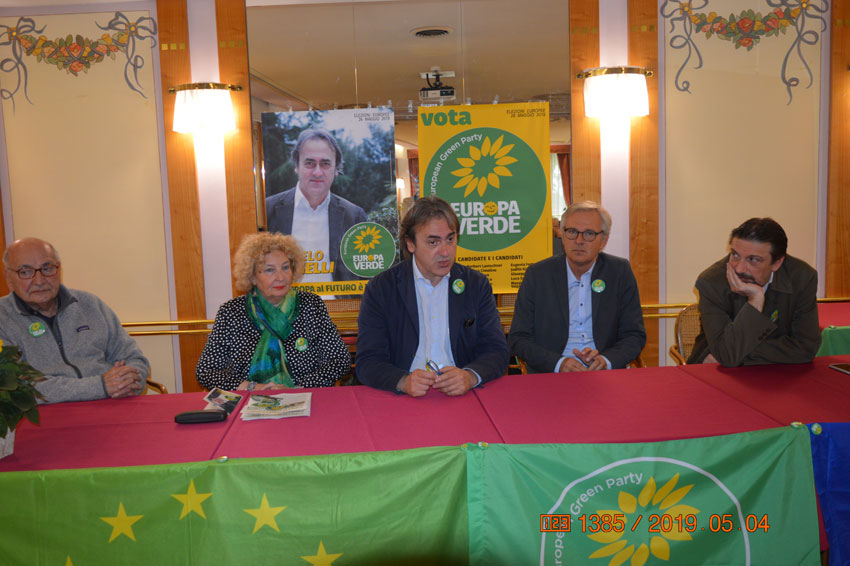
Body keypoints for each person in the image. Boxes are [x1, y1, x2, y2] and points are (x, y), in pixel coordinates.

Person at [356, 196, 509, 397]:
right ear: (410, 244)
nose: (445, 252)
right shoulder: (381, 289)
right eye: (433, 242)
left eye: (450, 239)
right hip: (404, 396)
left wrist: (470, 376)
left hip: (462, 394)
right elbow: (368, 361)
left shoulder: (475, 284)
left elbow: (497, 351)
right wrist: (402, 381)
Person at [0, 237, 149, 403]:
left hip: (112, 404)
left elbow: (134, 358)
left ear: (59, 269)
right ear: (8, 278)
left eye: (47, 268)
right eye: (25, 272)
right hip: (48, 413)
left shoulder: (90, 304)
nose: (39, 281)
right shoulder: (3, 318)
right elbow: (16, 386)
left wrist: (129, 382)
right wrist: (100, 386)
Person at [196, 232, 350, 390]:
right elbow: (206, 371)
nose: (281, 277)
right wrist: (252, 387)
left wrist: (298, 388)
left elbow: (339, 361)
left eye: (285, 267)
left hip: (304, 396)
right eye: (270, 270)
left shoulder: (311, 305)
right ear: (252, 277)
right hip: (249, 398)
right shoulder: (231, 312)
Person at [508, 201, 646, 374]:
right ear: (563, 235)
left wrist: (606, 360)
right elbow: (518, 338)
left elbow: (634, 335)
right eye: (572, 232)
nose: (579, 241)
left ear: (603, 240)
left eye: (589, 234)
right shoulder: (538, 274)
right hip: (552, 373)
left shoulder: (619, 272)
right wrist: (558, 363)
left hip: (604, 374)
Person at [688, 217, 820, 366]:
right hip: (714, 371)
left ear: (777, 263)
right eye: (735, 255)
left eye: (753, 260)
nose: (739, 269)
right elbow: (727, 354)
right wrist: (755, 301)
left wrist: (737, 352)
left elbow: (806, 348)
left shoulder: (802, 278)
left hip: (777, 372)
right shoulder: (712, 282)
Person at [265, 129, 367, 282]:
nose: (317, 172)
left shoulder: (354, 216)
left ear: (336, 169)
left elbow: (364, 276)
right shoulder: (268, 209)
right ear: (297, 166)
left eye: (325, 164)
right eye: (309, 163)